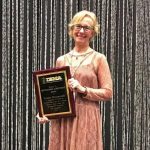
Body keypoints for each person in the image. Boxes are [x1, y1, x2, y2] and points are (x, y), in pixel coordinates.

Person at [37, 10, 113, 150]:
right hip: (63, 121)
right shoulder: (61, 60)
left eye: (87, 28)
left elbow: (108, 93)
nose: (81, 31)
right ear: (72, 29)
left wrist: (83, 89)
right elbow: (55, 93)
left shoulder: (99, 59)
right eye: (78, 26)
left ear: (92, 33)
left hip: (86, 118)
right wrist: (46, 112)